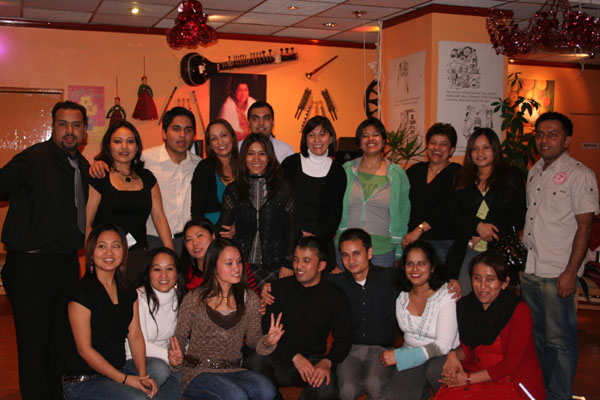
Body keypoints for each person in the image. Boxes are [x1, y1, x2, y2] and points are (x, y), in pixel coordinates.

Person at [0, 100, 89, 399]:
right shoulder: (33, 159)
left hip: (65, 265)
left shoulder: (82, 166)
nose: (69, 130)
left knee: (60, 340)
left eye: (75, 125)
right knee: (33, 345)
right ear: (53, 127)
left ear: (84, 131)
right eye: (63, 124)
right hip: (30, 267)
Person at [520, 112, 598, 399]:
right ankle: (542, 391)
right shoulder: (534, 172)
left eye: (553, 134)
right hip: (531, 270)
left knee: (560, 340)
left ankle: (561, 395)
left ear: (567, 140)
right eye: (540, 134)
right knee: (538, 337)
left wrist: (571, 272)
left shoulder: (580, 175)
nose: (544, 140)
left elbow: (585, 227)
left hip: (558, 273)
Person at [168, 238, 283, 400]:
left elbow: (253, 339)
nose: (237, 268)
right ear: (214, 266)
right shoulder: (194, 298)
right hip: (198, 372)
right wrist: (177, 359)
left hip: (233, 370)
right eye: (229, 263)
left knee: (267, 390)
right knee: (236, 396)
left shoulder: (250, 299)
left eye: (239, 262)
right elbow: (179, 337)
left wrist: (267, 342)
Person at [245, 236, 352, 400]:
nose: (298, 266)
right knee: (254, 360)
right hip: (279, 356)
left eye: (306, 261)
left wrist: (327, 362)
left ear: (321, 265)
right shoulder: (278, 289)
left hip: (312, 361)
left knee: (327, 387)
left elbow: (344, 340)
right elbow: (266, 330)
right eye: (296, 260)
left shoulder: (335, 296)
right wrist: (294, 356)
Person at [63, 223, 160, 400]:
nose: (109, 252)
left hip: (117, 370)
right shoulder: (81, 292)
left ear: (123, 252)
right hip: (84, 379)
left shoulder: (127, 290)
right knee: (138, 398)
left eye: (116, 246)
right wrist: (125, 380)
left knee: (158, 369)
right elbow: (85, 350)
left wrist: (142, 376)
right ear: (91, 253)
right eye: (102, 246)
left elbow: (135, 335)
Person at [90, 107, 200, 256]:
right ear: (164, 133)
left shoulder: (199, 165)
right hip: (149, 241)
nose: (182, 135)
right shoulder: (146, 159)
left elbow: (160, 216)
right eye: (176, 129)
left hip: (188, 241)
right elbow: (120, 160)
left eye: (188, 130)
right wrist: (99, 163)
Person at [438, 252, 545, 400]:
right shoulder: (466, 306)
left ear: (505, 283)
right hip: (477, 375)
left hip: (512, 380)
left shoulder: (518, 309)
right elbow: (469, 351)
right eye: (477, 278)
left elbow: (511, 364)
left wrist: (468, 379)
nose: (482, 286)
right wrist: (453, 355)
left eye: (490, 280)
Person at [85, 120, 174, 283]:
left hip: (138, 255)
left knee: (137, 298)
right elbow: (87, 223)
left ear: (137, 147)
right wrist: (91, 257)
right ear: (108, 146)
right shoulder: (100, 176)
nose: (124, 147)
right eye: (118, 141)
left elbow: (159, 218)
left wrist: (171, 255)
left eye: (130, 141)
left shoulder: (147, 178)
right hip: (106, 257)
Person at [446, 127, 526, 295]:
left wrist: (487, 232)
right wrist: (476, 226)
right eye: (475, 148)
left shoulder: (511, 176)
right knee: (464, 301)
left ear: (495, 149)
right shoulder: (462, 177)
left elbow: (518, 217)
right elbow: (452, 215)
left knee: (496, 304)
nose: (480, 153)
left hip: (499, 254)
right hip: (466, 252)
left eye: (486, 147)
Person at [380, 241, 460, 400]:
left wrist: (401, 357)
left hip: (442, 355)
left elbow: (443, 345)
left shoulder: (447, 294)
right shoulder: (402, 297)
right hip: (411, 350)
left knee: (435, 370)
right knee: (395, 397)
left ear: (432, 267)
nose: (415, 269)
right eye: (409, 264)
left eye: (421, 263)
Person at [217, 133, 296, 286]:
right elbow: (222, 227)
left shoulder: (283, 188)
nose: (256, 159)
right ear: (244, 157)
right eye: (251, 153)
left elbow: (292, 227)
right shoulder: (234, 189)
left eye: (262, 153)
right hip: (242, 265)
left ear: (269, 157)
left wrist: (288, 263)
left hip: (278, 265)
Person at [337, 117, 410, 268]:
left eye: (376, 134)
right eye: (365, 135)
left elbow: (403, 213)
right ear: (359, 143)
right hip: (347, 249)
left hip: (382, 250)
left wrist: (399, 252)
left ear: (384, 142)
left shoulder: (397, 174)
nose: (370, 139)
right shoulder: (346, 170)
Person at [282, 116, 346, 272]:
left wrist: (318, 238)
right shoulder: (290, 164)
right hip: (290, 245)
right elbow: (280, 205)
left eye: (322, 134)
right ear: (305, 139)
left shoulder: (338, 171)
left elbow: (335, 213)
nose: (317, 140)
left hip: (321, 246)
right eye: (312, 135)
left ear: (330, 138)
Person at [125, 247, 187, 399]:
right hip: (134, 359)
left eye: (169, 269)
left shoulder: (180, 298)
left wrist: (182, 356)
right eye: (157, 269)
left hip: (166, 359)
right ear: (148, 273)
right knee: (160, 369)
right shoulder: (138, 298)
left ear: (177, 272)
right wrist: (170, 357)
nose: (163, 275)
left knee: (187, 373)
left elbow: (181, 338)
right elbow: (140, 343)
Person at [403, 123, 461, 264]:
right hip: (414, 242)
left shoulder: (457, 173)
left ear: (451, 150)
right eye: (433, 143)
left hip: (443, 242)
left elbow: (446, 207)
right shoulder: (415, 170)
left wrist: (419, 230)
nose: (437, 148)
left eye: (443, 144)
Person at [181, 217, 258, 292]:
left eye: (199, 236)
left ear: (213, 236)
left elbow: (253, 296)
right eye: (189, 239)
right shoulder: (185, 273)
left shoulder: (236, 264)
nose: (194, 243)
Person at [190, 119, 237, 228]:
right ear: (210, 145)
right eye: (214, 138)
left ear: (232, 137)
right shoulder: (204, 168)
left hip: (242, 232)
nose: (220, 142)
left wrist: (237, 227)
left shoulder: (245, 166)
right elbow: (197, 211)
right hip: (211, 232)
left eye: (223, 135)